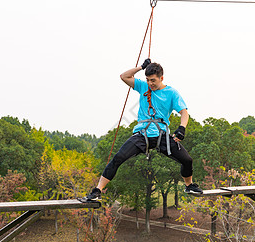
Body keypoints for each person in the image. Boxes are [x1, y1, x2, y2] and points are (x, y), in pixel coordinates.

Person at [82, 59, 202, 202]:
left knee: (187, 160)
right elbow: (124, 76)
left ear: (161, 78)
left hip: (161, 135)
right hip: (142, 134)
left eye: (153, 80)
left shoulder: (171, 93)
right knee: (118, 158)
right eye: (148, 80)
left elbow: (184, 112)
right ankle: (97, 190)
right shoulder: (143, 87)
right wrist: (141, 67)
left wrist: (182, 128)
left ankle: (189, 185)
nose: (150, 83)